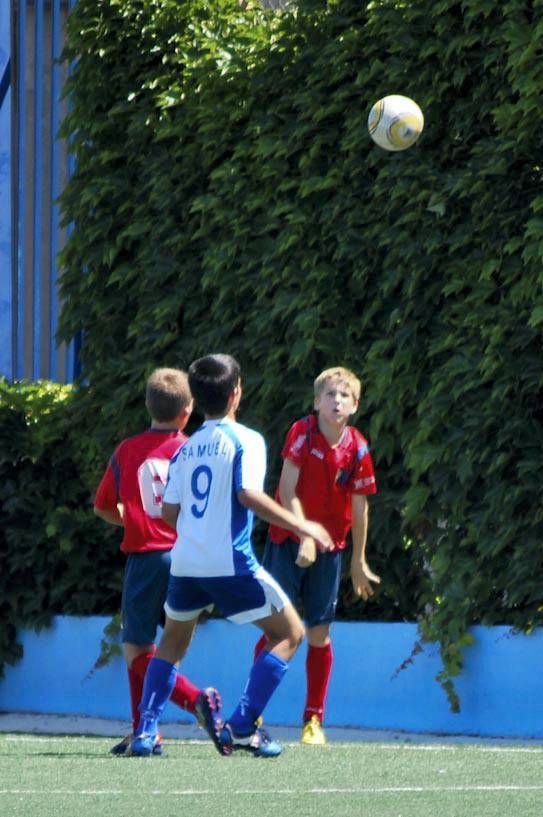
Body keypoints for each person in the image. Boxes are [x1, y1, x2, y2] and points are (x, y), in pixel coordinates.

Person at [130, 354, 334, 759]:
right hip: (230, 562)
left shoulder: (184, 451)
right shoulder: (246, 439)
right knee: (290, 634)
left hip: (185, 562)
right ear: (236, 392)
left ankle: (145, 732)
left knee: (170, 643)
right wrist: (303, 525)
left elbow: (169, 512)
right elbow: (248, 494)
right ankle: (242, 724)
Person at [93, 367, 221, 755]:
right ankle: (147, 730)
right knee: (171, 650)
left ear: (148, 404)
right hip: (190, 559)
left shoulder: (127, 450)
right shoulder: (197, 447)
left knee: (137, 648)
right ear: (188, 410)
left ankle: (176, 710)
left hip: (147, 557)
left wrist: (130, 518)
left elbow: (102, 507)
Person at [254, 366, 380, 746]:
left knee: (318, 634)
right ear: (316, 402)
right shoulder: (301, 432)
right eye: (330, 395)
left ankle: (313, 721)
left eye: (344, 396)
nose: (336, 401)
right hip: (285, 541)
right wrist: (303, 532)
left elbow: (360, 508)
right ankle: (252, 710)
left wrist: (358, 560)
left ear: (355, 405)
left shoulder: (357, 447)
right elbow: (286, 489)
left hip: (329, 551)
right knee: (276, 629)